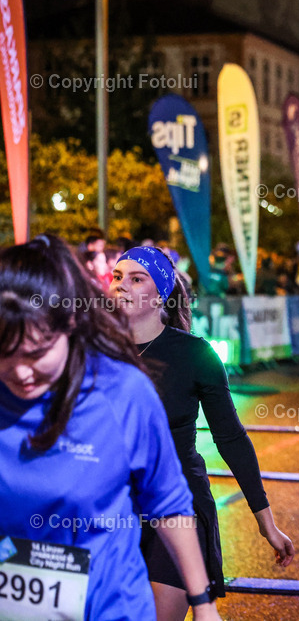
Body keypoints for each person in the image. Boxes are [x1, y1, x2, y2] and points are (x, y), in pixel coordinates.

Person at [0, 235, 221, 621]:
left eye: (37, 354)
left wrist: (203, 604)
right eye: (6, 354)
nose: (20, 371)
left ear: (69, 324)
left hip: (110, 607)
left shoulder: (123, 392)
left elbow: (169, 503)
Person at [110, 246, 294, 621]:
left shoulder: (196, 355)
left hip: (178, 507)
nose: (122, 286)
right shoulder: (98, 352)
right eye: (117, 277)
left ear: (160, 294)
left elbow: (231, 439)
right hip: (113, 508)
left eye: (136, 278)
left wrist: (267, 524)